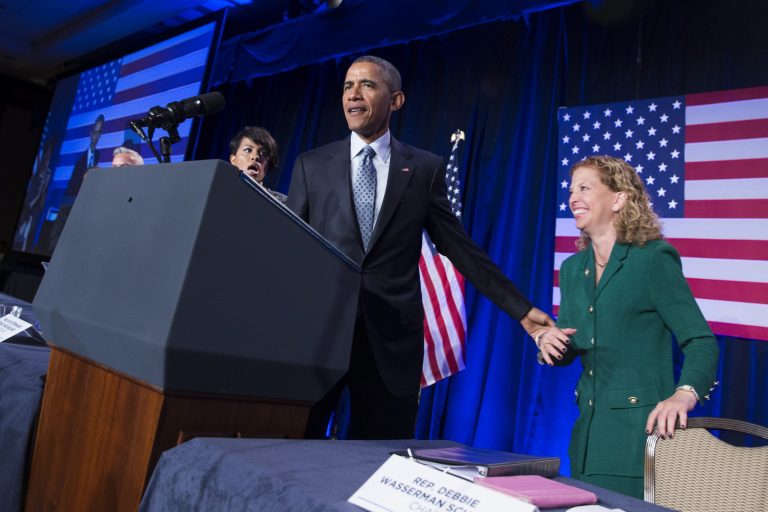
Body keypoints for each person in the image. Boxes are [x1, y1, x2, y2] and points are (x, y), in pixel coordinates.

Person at [287, 55, 553, 440]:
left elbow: (461, 249)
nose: (354, 94)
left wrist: (521, 310)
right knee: (294, 453)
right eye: (348, 86)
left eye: (367, 85)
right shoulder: (311, 164)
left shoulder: (424, 168)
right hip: (318, 339)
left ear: (396, 101)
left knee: (376, 465)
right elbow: (290, 251)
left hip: (389, 347)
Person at [534, 156, 719, 498]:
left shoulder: (652, 259)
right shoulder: (574, 268)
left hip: (638, 438)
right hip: (586, 438)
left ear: (618, 199)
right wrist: (549, 342)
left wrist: (685, 393)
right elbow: (573, 347)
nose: (573, 197)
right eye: (571, 189)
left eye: (585, 188)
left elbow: (701, 341)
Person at [229, 126, 287, 204]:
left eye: (263, 153)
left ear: (269, 164)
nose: (255, 156)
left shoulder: (281, 203)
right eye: (248, 150)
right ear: (233, 160)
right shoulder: (217, 190)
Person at [66, 114, 104, 197]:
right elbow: (71, 188)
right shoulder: (79, 159)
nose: (96, 136)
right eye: (94, 132)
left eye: (99, 133)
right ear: (91, 134)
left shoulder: (98, 155)